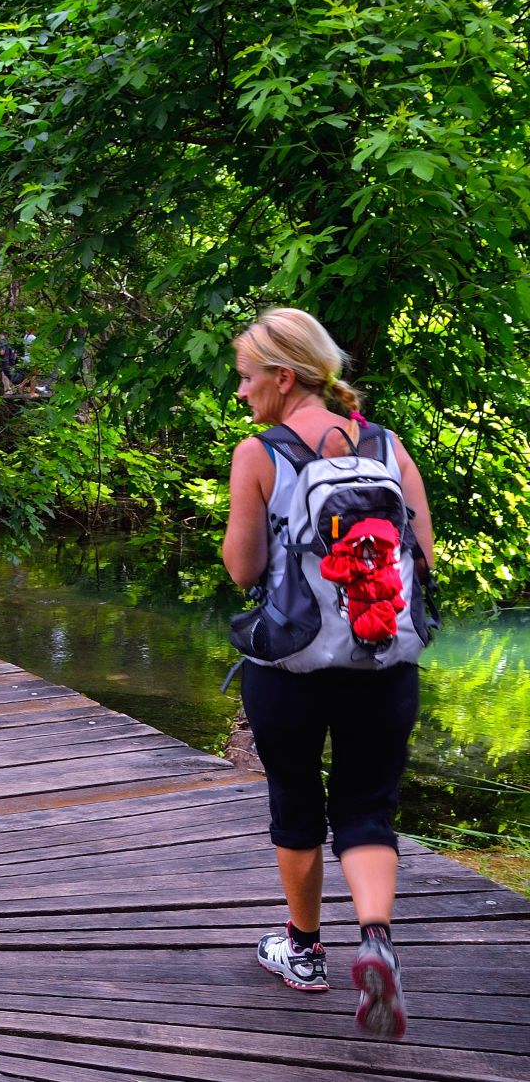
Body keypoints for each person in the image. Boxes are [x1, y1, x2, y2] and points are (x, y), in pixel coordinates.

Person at [223, 308, 435, 1040]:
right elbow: (424, 560)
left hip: (291, 666)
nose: (243, 393)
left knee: (296, 801)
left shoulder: (261, 453)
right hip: (382, 662)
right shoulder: (386, 445)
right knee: (368, 806)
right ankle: (375, 939)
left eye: (250, 379)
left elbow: (244, 567)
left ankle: (306, 951)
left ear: (285, 378)